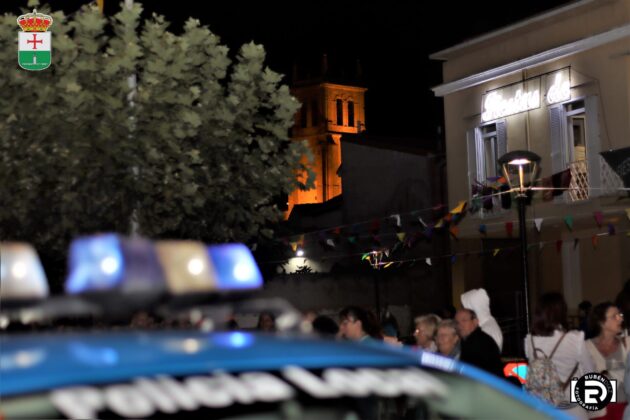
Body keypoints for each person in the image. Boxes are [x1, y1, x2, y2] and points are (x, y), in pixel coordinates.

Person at [525, 292, 600, 419]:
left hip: (542, 410)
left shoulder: (529, 340)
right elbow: (590, 373)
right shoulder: (575, 339)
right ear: (561, 312)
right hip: (572, 409)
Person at [586, 302, 628, 420]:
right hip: (597, 411)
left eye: (620, 315)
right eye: (614, 316)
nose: (620, 318)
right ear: (602, 322)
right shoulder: (586, 347)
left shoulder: (626, 344)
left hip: (623, 407)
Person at [455, 308, 503, 377]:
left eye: (464, 320)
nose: (460, 325)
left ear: (475, 322)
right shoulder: (467, 340)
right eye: (457, 322)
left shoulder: (480, 342)